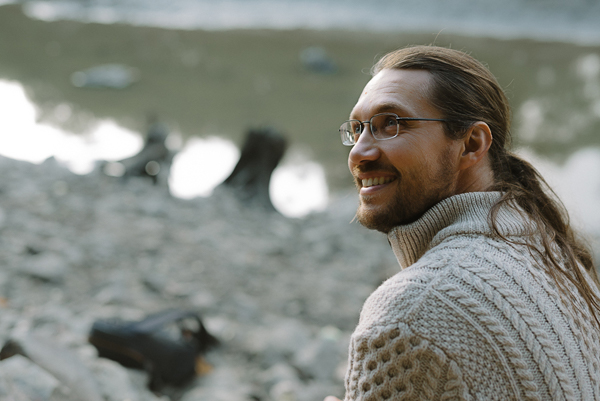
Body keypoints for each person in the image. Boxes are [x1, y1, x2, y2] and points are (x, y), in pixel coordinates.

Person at [325, 45, 600, 400]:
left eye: (390, 124)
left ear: (472, 144)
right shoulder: (553, 254)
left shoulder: (411, 311)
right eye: (358, 128)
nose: (359, 153)